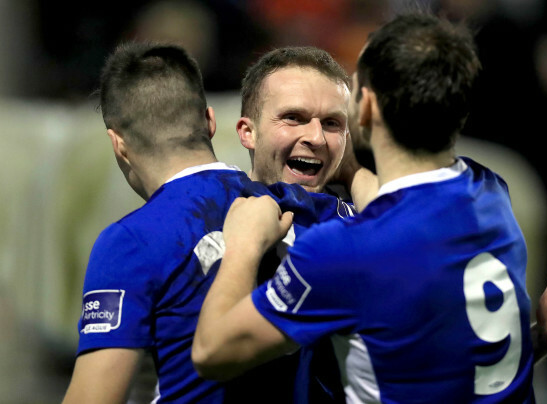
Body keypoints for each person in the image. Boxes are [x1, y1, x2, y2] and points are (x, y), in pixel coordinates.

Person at [191, 11, 547, 402]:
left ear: (366, 109)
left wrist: (241, 245)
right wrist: (532, 342)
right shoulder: (492, 194)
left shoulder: (342, 249)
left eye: (335, 115)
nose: (316, 134)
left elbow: (212, 352)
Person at [61, 41, 351, 404]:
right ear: (211, 122)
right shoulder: (309, 209)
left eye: (332, 124)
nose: (315, 137)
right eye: (293, 118)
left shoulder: (130, 240)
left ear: (118, 144)